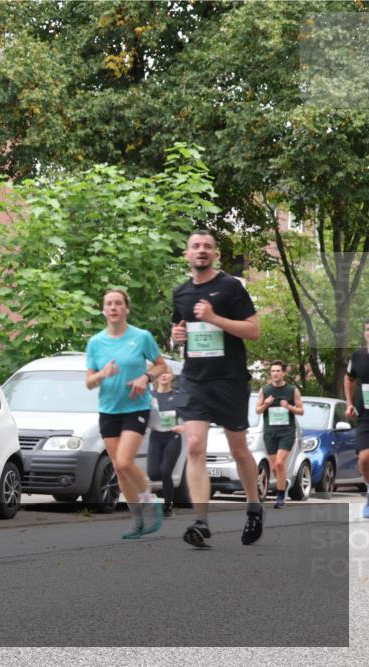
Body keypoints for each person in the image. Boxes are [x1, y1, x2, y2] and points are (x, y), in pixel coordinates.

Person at [171, 229, 262, 549]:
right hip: (195, 380)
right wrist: (177, 338)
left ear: (215, 254)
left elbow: (253, 331)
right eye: (195, 246)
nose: (201, 251)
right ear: (187, 254)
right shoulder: (181, 293)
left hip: (229, 380)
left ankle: (253, 506)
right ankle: (201, 522)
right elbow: (179, 329)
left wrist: (215, 317)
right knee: (195, 445)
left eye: (207, 246)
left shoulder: (230, 287)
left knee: (238, 449)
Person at [86, 288, 171, 539]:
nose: (113, 307)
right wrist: (103, 374)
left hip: (136, 407)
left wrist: (145, 378)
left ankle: (149, 500)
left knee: (124, 461)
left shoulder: (141, 337)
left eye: (118, 303)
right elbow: (89, 382)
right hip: (108, 410)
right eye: (108, 304)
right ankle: (137, 521)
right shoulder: (95, 343)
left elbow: (161, 365)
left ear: (126, 309)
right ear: (103, 310)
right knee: (119, 468)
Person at [255, 360, 304, 509]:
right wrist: (266, 404)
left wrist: (288, 406)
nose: (275, 373)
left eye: (278, 371)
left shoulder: (292, 390)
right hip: (270, 432)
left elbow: (301, 411)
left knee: (279, 463)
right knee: (275, 468)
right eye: (273, 371)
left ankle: (280, 496)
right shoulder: (264, 390)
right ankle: (284, 483)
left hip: (286, 432)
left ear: (284, 373)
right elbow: (257, 410)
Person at [148, 370, 184, 518]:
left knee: (164, 470)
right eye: (160, 373)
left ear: (171, 376)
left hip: (172, 437)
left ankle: (168, 505)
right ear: (155, 376)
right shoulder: (150, 396)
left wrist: (184, 427)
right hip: (155, 436)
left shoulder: (177, 396)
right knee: (153, 473)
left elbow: (191, 415)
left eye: (167, 373)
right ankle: (158, 498)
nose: (163, 375)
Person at [344, 318, 369, 519]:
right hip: (365, 415)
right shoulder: (358, 356)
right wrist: (349, 402)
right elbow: (349, 378)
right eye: (368, 330)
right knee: (364, 458)